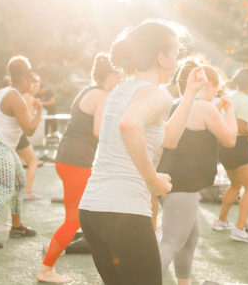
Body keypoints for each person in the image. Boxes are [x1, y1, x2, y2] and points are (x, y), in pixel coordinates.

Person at [78, 20, 206, 285]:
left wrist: (190, 93)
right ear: (160, 57)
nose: (176, 61)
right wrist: (153, 180)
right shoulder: (157, 95)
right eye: (175, 54)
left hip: (93, 210)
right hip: (124, 213)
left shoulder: (119, 92)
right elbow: (130, 124)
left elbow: (169, 138)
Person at [37, 53, 121, 283]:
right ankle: (45, 270)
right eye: (119, 77)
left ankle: (109, 261)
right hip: (76, 161)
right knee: (74, 220)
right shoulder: (102, 95)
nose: (120, 82)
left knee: (92, 213)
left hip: (68, 158)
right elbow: (98, 131)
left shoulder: (86, 91)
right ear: (112, 75)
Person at [157, 59, 237, 285]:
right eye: (216, 87)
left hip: (169, 178)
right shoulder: (204, 107)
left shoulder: (175, 104)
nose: (216, 92)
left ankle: (184, 282)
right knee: (172, 240)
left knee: (190, 238)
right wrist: (229, 112)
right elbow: (231, 139)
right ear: (208, 84)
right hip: (185, 183)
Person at [0, 55, 42, 248]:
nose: (32, 83)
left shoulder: (4, 92)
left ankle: (16, 227)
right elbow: (29, 130)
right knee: (5, 191)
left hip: (1, 144)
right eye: (30, 79)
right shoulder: (15, 98)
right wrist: (39, 114)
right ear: (24, 80)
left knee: (20, 183)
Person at [214, 67, 248, 243]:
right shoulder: (247, 102)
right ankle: (239, 229)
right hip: (238, 146)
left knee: (235, 184)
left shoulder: (229, 98)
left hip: (224, 146)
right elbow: (241, 127)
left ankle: (221, 221)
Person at [19, 73, 42, 200]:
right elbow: (27, 120)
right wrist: (38, 114)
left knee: (19, 163)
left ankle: (18, 190)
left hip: (15, 134)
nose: (36, 86)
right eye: (34, 84)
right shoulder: (27, 97)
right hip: (19, 134)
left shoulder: (23, 95)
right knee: (33, 162)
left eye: (38, 84)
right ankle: (27, 192)